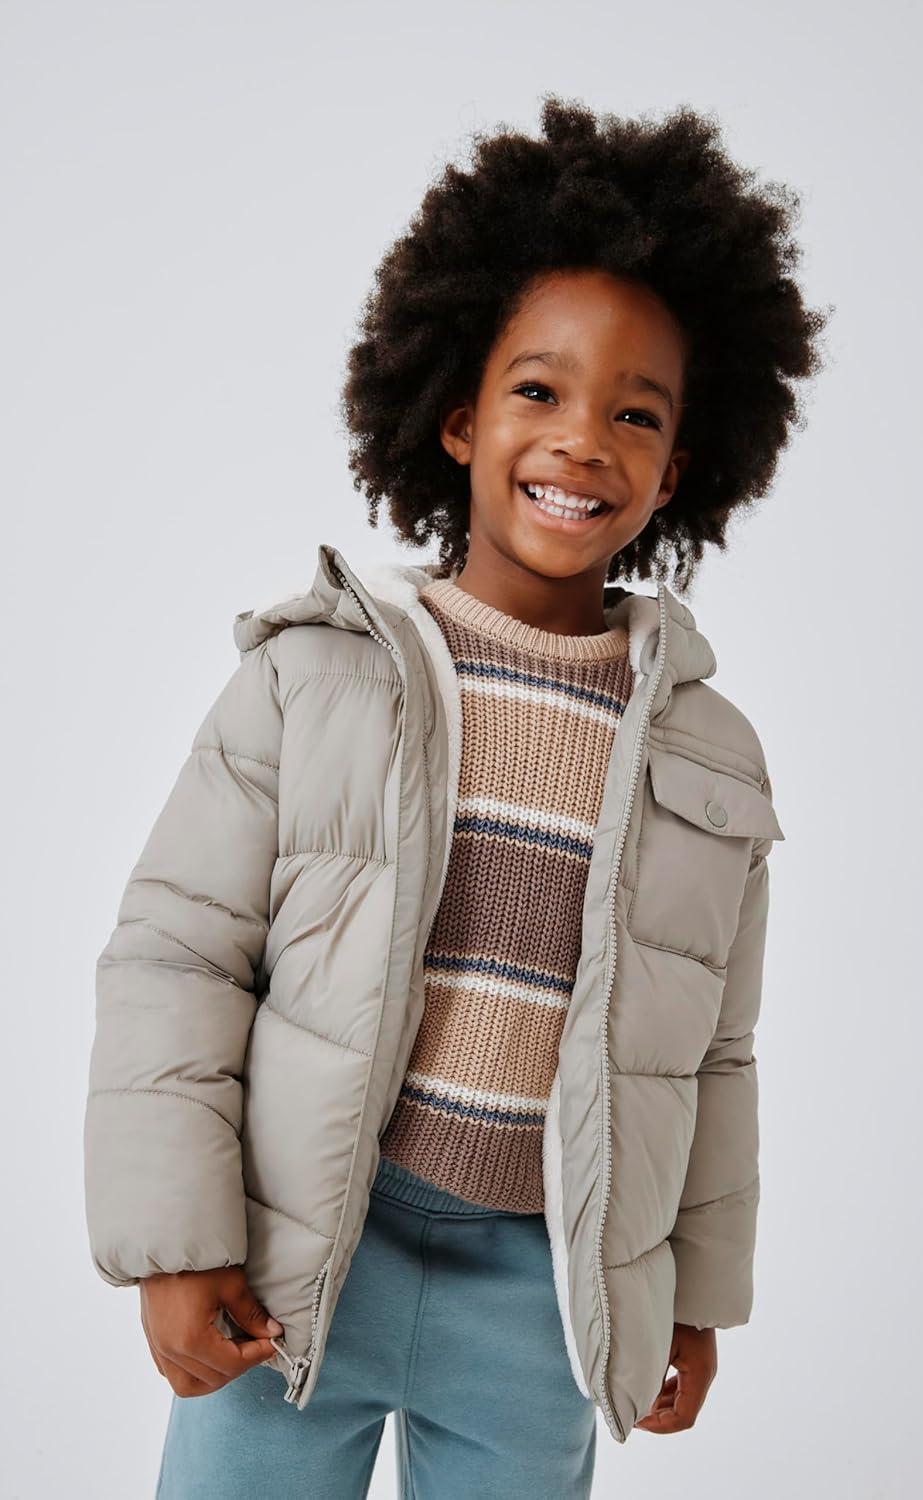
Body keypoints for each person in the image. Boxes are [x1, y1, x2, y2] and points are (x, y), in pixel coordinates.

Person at [83, 95, 828, 1498]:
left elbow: (715, 1053)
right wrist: (177, 1240)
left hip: (539, 1296)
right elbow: (178, 957)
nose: (583, 441)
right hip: (298, 1262)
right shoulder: (315, 676)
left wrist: (692, 1292)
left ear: (680, 467)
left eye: (635, 413)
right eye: (539, 392)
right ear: (457, 418)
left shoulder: (707, 755)